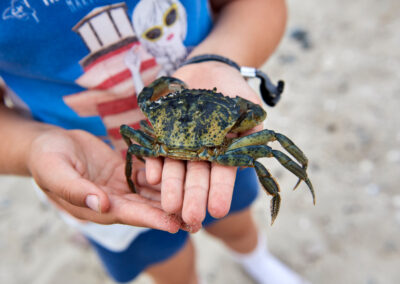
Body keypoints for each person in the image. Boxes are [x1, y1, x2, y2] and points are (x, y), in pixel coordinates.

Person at [0, 0, 308, 283]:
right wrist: (31, 147)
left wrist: (220, 59)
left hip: (200, 171)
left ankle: (255, 258)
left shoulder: (148, 126)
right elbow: (265, 133)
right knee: (168, 265)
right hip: (105, 180)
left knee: (235, 222)